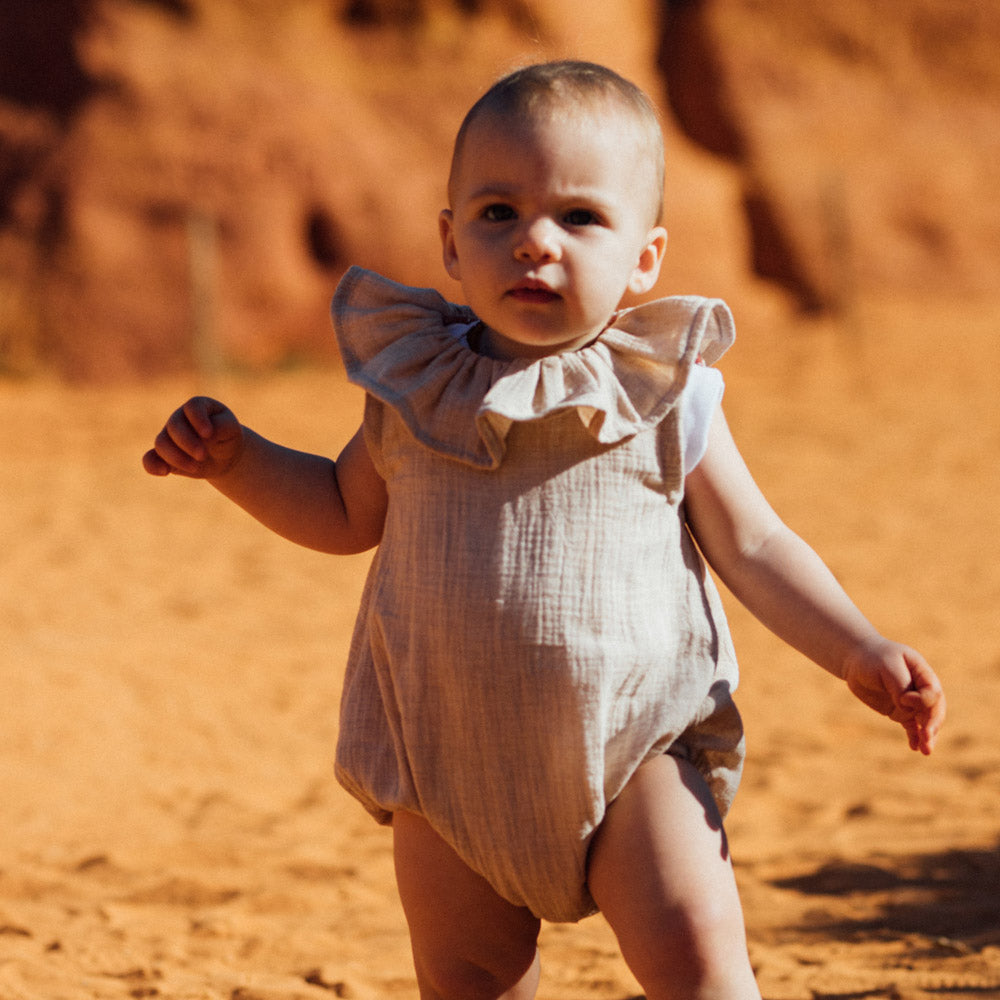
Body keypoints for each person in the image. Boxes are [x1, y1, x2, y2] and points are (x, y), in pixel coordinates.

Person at [143, 61, 945, 1000]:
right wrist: (236, 463)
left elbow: (756, 545)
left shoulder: (662, 391)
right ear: (449, 242)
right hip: (447, 765)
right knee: (470, 979)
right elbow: (340, 509)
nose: (533, 243)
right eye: (497, 214)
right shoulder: (416, 389)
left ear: (645, 257)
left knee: (695, 953)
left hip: (637, 744)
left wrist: (857, 646)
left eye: (579, 218)